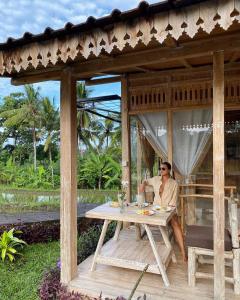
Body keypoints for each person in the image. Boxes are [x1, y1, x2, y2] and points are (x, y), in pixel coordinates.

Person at [139, 161, 187, 262]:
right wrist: (143, 184)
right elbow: (146, 181)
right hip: (155, 209)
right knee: (142, 216)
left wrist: (167, 212)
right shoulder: (156, 179)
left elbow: (173, 202)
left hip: (168, 209)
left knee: (175, 223)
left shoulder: (174, 184)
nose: (161, 171)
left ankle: (183, 252)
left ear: (169, 170)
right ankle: (146, 251)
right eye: (160, 169)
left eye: (163, 169)